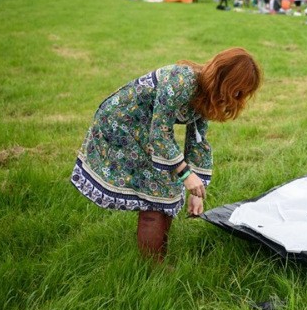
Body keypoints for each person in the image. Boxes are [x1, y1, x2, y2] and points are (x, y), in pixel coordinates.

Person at [70, 48, 263, 261]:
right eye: (236, 90)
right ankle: (154, 267)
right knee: (155, 198)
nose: (237, 98)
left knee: (166, 191)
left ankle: (157, 259)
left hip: (145, 130)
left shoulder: (206, 92)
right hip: (120, 124)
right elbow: (160, 131)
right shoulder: (181, 80)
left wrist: (197, 192)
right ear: (223, 78)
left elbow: (198, 142)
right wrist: (185, 174)